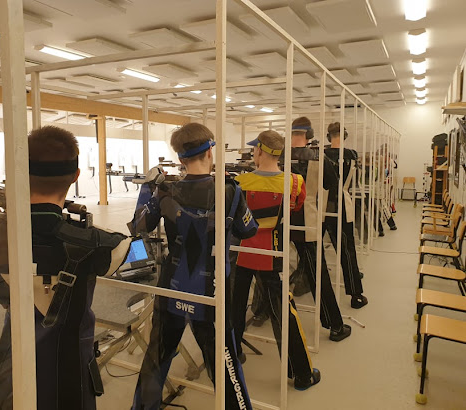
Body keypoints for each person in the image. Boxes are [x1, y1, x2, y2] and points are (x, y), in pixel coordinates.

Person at [0, 126, 131, 410]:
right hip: (69, 376)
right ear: (76, 176)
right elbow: (127, 245)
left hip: (10, 371)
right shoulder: (99, 244)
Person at [129, 123, 258, 410]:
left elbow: (138, 226)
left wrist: (149, 190)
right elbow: (249, 230)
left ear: (180, 158)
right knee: (225, 362)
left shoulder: (165, 190)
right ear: (210, 152)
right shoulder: (230, 191)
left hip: (171, 286)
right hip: (212, 290)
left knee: (157, 357)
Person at [232, 130, 321, 390]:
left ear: (259, 151)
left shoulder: (239, 182)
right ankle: (301, 374)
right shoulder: (294, 182)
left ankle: (233, 356)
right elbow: (295, 208)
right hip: (273, 252)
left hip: (242, 252)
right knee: (283, 313)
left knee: (235, 307)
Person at [288, 116, 351, 341]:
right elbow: (331, 184)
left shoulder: (280, 155)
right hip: (306, 220)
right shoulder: (318, 157)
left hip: (281, 221)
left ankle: (261, 312)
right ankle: (335, 325)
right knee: (318, 274)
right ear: (310, 135)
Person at [324, 122, 368, 309]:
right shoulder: (352, 155)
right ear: (344, 136)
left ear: (329, 136)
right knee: (347, 250)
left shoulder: (322, 154)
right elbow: (355, 182)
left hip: (321, 204)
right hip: (341, 203)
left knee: (314, 249)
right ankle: (356, 294)